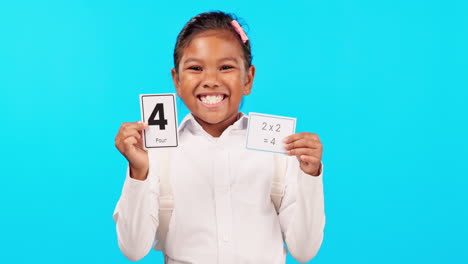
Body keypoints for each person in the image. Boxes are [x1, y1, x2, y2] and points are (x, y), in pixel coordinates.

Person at [113, 11, 325, 264]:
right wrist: (139, 172)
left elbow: (305, 251)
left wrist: (309, 176)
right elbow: (133, 250)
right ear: (177, 81)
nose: (211, 80)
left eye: (226, 67)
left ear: (248, 79)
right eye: (195, 68)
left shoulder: (279, 150)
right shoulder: (157, 154)